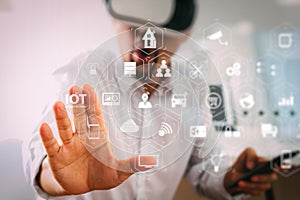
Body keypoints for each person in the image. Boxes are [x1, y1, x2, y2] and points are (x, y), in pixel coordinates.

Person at [23, 1, 278, 199]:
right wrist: (58, 179)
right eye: (133, 29)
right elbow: (41, 155)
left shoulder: (192, 90)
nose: (143, 43)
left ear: (183, 34)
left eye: (158, 34)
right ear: (115, 20)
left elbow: (204, 167)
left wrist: (233, 177)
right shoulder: (80, 73)